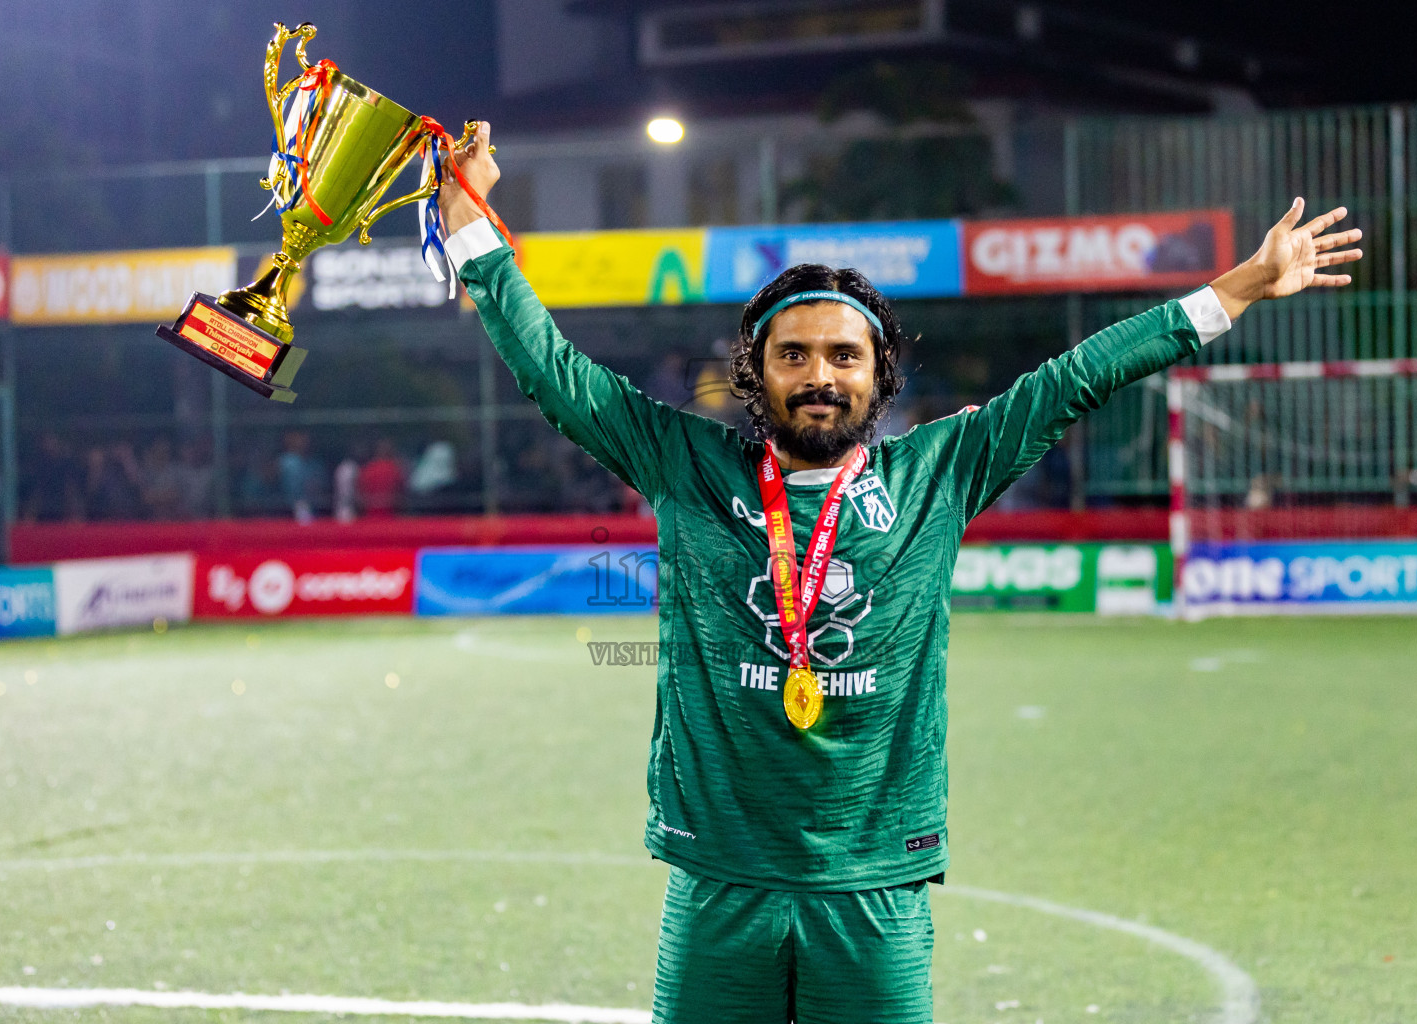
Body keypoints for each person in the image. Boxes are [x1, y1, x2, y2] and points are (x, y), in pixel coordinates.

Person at [438, 124, 1362, 1023]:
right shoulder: (684, 462)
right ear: (755, 374)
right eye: (791, 355)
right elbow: (553, 372)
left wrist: (1236, 289)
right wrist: (470, 218)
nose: (819, 376)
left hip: (875, 882)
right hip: (721, 875)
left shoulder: (938, 472)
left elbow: (1079, 375)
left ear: (880, 376)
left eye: (845, 356)